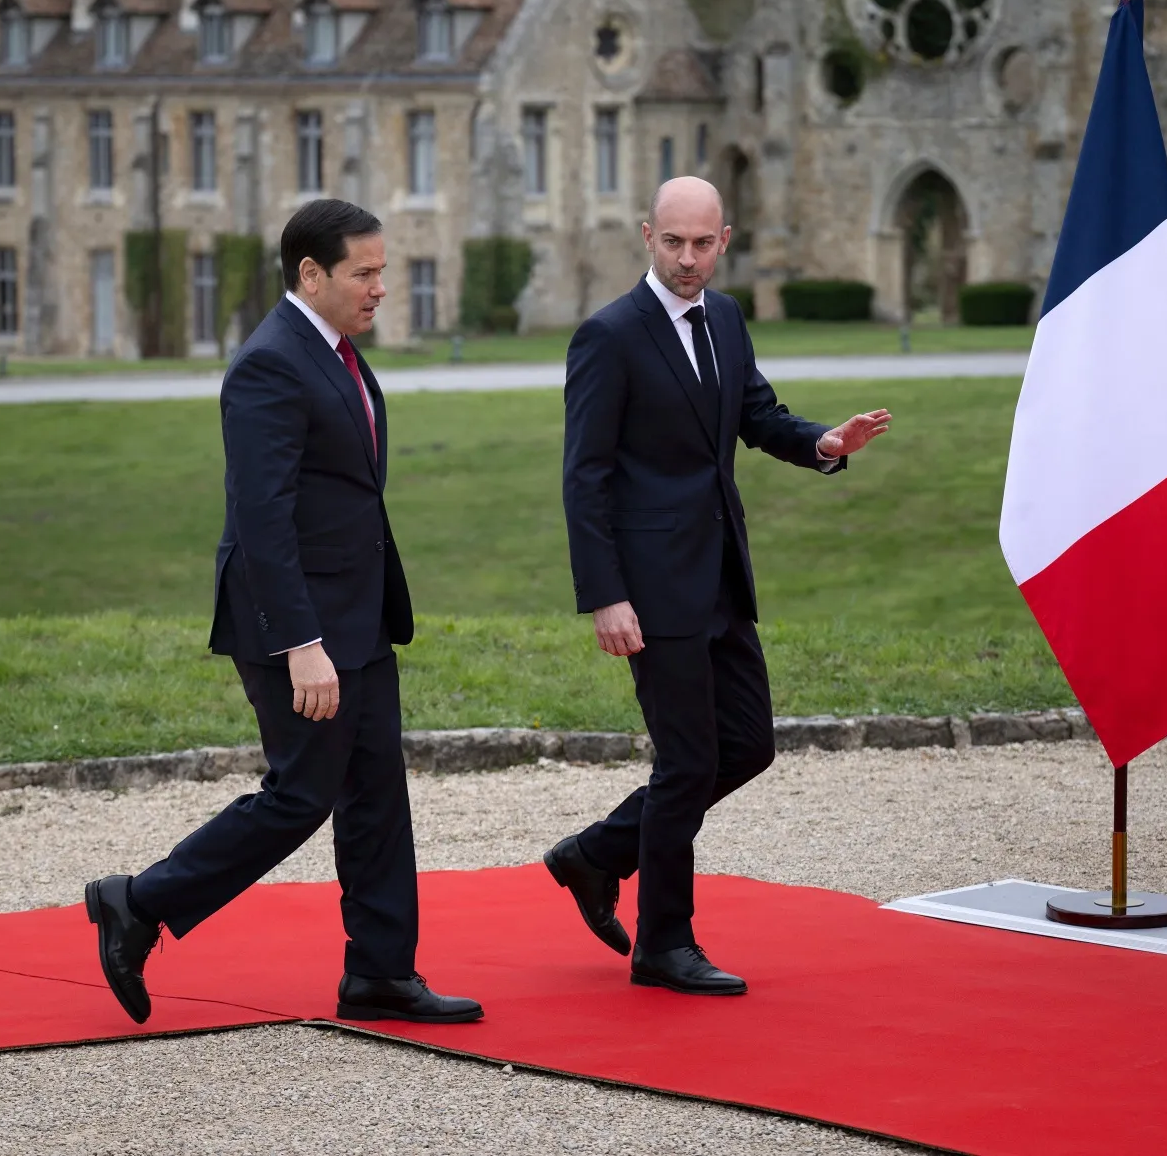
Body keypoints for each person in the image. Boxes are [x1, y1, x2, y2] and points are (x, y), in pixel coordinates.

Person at [84, 198, 481, 1027]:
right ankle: (138, 902)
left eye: (382, 271)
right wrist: (303, 642)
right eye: (363, 274)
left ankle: (380, 971)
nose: (380, 288)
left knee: (376, 791)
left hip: (359, 615)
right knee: (303, 792)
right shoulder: (270, 363)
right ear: (310, 272)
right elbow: (262, 517)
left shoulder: (333, 352)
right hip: (295, 622)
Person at [547, 175, 892, 995]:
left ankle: (596, 854)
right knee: (688, 760)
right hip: (649, 590)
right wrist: (605, 593)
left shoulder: (727, 319)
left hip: (719, 578)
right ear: (647, 236)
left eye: (703, 243)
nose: (689, 258)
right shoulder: (609, 336)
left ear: (724, 240)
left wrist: (825, 442)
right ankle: (664, 946)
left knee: (746, 744)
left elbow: (758, 416)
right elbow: (584, 477)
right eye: (674, 242)